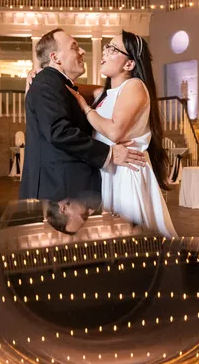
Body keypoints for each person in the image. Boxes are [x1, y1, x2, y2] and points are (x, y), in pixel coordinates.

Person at [19, 28, 146, 208]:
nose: (82, 51)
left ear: (130, 64)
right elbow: (59, 131)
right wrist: (109, 153)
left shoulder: (61, 85)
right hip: (59, 191)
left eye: (113, 49)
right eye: (74, 47)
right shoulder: (48, 83)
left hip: (112, 175)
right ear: (56, 58)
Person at [67, 31, 177, 237]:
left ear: (129, 64)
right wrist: (39, 74)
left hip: (127, 173)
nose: (105, 52)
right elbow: (65, 85)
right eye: (106, 47)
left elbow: (114, 131)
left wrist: (85, 107)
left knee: (133, 238)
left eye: (113, 49)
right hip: (112, 170)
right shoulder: (104, 94)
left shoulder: (134, 86)